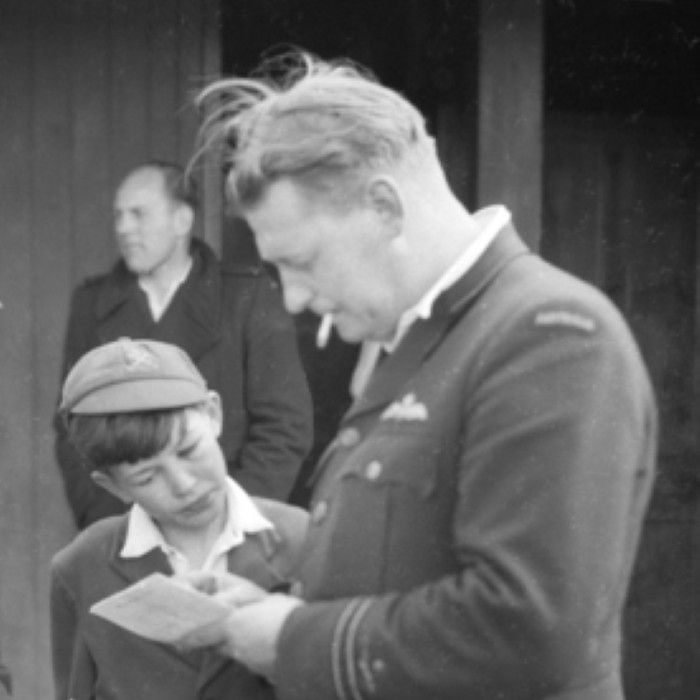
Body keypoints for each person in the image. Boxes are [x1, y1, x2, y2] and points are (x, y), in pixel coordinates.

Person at [181, 52, 658, 700]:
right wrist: (273, 609)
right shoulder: (420, 344)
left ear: (384, 207)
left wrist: (293, 637)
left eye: (303, 261)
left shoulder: (551, 334)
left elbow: (529, 629)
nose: (292, 299)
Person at [54, 161, 313, 529]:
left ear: (182, 220)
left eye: (139, 214)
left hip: (229, 518)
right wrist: (113, 528)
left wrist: (231, 522)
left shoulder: (245, 296)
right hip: (131, 526)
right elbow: (73, 431)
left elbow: (284, 426)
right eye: (119, 216)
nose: (124, 228)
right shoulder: (92, 303)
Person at [50, 338, 309, 700]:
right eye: (146, 478)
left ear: (214, 414)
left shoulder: (305, 538)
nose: (184, 485)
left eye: (189, 450)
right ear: (113, 486)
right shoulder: (81, 566)